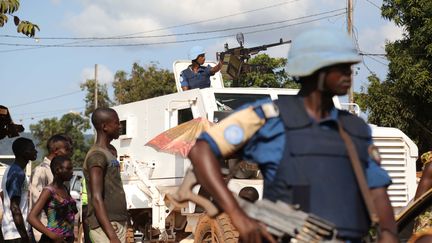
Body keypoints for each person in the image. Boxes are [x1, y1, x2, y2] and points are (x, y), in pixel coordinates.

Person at [188, 28, 398, 243]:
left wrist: (389, 234)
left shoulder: (355, 128)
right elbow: (201, 151)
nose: (349, 74)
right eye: (341, 67)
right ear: (315, 69)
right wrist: (237, 215)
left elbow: (377, 190)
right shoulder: (267, 118)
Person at [83, 107, 128, 243]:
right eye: (116, 123)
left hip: (115, 223)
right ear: (105, 127)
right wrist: (112, 237)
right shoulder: (97, 155)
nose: (120, 126)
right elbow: (97, 198)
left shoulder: (110, 152)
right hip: (105, 227)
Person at [29, 134, 72, 242]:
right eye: (66, 149)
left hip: (63, 235)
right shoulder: (41, 171)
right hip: (47, 234)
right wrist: (49, 234)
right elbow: (37, 208)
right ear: (56, 150)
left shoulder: (64, 172)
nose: (69, 153)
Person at [2, 137, 37, 243]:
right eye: (32, 149)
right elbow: (15, 207)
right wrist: (25, 236)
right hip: (16, 234)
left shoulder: (13, 170)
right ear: (24, 152)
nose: (36, 151)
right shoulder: (17, 173)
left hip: (15, 232)